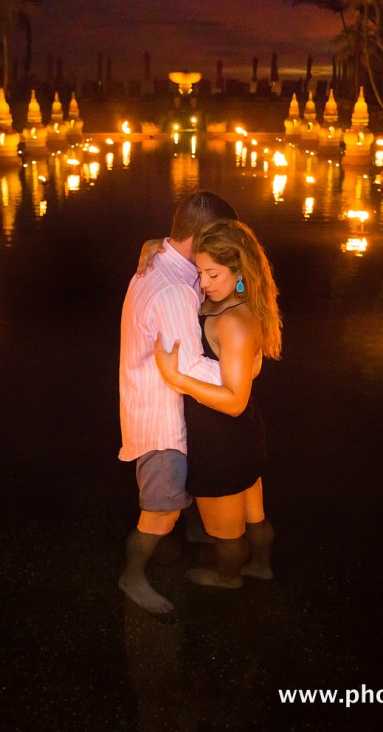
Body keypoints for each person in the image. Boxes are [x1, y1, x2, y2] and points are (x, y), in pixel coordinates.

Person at [118, 191, 237, 614]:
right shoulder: (172, 290)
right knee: (158, 514)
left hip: (147, 405)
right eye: (221, 236)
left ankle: (193, 528)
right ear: (203, 234)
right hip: (160, 424)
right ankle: (132, 578)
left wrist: (153, 241)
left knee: (174, 496)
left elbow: (224, 276)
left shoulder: (165, 264)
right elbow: (188, 368)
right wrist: (242, 373)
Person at [154, 219, 280, 589]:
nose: (203, 283)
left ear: (239, 271)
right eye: (199, 271)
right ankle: (261, 566)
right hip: (239, 435)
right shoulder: (241, 301)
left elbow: (235, 401)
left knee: (226, 531)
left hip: (222, 439)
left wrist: (178, 379)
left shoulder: (233, 322)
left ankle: (228, 578)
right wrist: (152, 246)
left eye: (213, 274)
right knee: (254, 513)